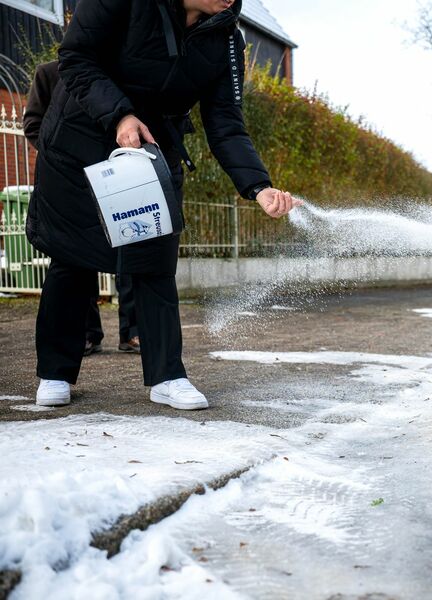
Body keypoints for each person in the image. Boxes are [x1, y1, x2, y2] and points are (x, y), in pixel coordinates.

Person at [27, 0, 299, 409]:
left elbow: (225, 120)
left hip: (152, 149)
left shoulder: (226, 38)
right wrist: (120, 116)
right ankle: (55, 372)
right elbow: (76, 58)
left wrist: (257, 187)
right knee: (73, 257)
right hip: (78, 139)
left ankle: (167, 376)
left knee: (154, 260)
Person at [23, 61, 140, 358]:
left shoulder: (116, 70)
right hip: (69, 180)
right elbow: (33, 124)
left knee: (128, 247)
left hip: (116, 176)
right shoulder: (49, 73)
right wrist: (61, 158)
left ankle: (133, 332)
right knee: (76, 257)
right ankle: (87, 333)